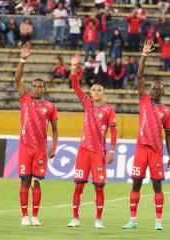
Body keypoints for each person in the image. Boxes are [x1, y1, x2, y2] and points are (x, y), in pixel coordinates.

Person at [122, 39, 170, 230]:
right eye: (153, 89)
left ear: (163, 92)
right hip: (141, 150)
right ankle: (132, 220)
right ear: (150, 91)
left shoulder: (166, 112)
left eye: (159, 89)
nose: (155, 91)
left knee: (157, 185)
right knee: (136, 184)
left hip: (156, 152)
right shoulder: (143, 100)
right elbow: (140, 75)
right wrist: (143, 55)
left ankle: (158, 221)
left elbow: (168, 136)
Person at [67, 52, 117, 229]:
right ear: (90, 92)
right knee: (78, 186)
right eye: (94, 90)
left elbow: (113, 131)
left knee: (99, 187)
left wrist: (111, 151)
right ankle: (75, 218)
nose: (96, 92)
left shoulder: (109, 109)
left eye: (99, 90)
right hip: (83, 151)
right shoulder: (86, 103)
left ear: (103, 92)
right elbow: (74, 84)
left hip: (98, 153)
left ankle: (98, 219)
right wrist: (74, 67)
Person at [14, 43, 59, 226]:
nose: (36, 89)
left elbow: (55, 129)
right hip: (25, 148)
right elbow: (17, 79)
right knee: (25, 181)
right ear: (31, 88)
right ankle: (24, 216)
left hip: (40, 149)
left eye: (40, 87)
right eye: (34, 86)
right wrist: (22, 59)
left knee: (37, 182)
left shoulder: (50, 107)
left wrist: (54, 146)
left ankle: (35, 215)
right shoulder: (25, 99)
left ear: (44, 89)